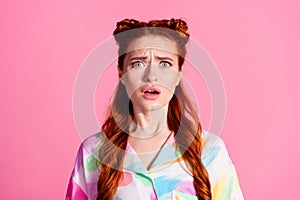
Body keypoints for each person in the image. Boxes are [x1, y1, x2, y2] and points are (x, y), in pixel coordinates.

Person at [65, 18, 244, 200]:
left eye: (165, 63)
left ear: (178, 75)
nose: (151, 76)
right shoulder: (93, 152)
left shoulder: (210, 150)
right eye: (138, 63)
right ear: (121, 73)